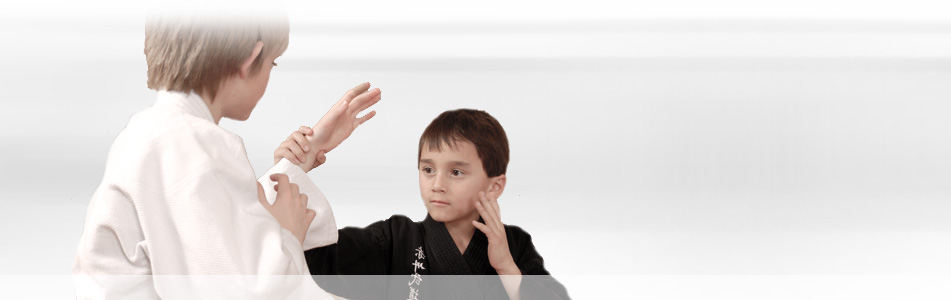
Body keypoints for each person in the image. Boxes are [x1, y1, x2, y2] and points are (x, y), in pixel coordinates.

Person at [72, 7, 381, 299]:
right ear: (251, 59)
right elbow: (245, 288)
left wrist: (300, 159)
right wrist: (288, 233)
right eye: (272, 63)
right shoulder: (196, 147)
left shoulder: (151, 135)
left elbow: (217, 231)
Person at [276, 109, 570, 299]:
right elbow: (312, 258)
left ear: (495, 186)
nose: (437, 184)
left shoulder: (513, 245)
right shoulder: (395, 239)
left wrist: (506, 266)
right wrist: (290, 171)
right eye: (428, 169)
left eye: (456, 172)